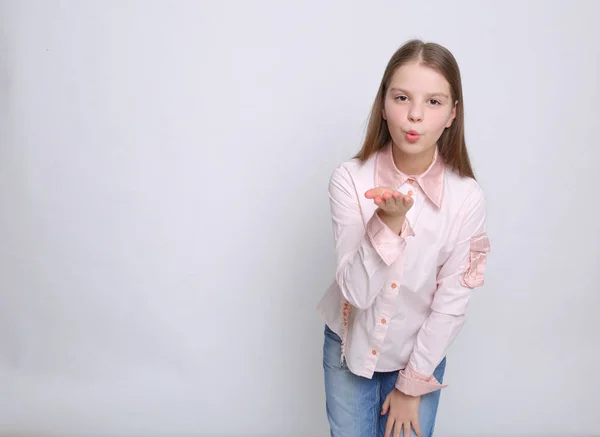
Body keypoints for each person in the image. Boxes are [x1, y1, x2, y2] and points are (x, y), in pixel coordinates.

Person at [316, 39, 491, 437]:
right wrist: (388, 224)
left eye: (433, 102)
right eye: (401, 97)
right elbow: (356, 294)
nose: (414, 115)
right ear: (383, 104)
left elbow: (451, 303)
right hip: (350, 350)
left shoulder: (466, 198)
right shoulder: (349, 179)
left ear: (452, 114)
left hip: (419, 355)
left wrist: (412, 384)